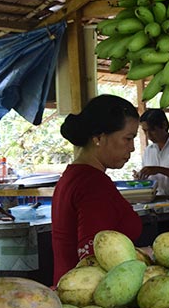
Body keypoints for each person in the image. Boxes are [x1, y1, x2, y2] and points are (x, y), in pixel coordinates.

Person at [51, 95, 143, 284]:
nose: (132, 148)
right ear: (99, 138)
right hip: (88, 294)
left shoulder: (73, 176)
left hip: (72, 288)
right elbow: (92, 257)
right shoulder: (93, 185)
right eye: (128, 138)